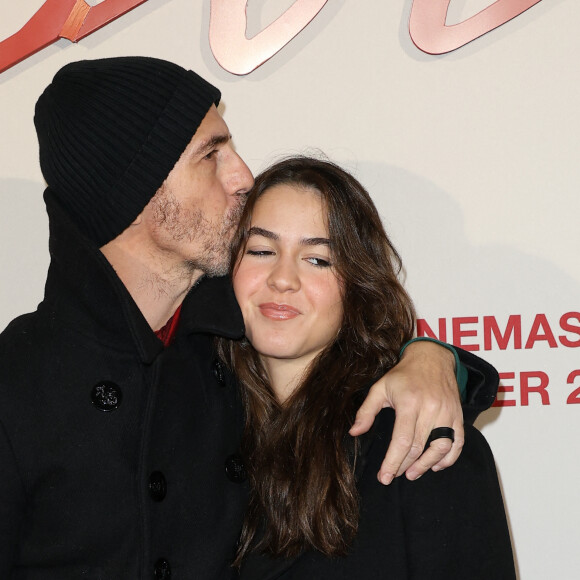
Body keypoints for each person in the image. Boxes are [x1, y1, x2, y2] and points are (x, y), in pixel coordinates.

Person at [0, 58, 497, 578]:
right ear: (133, 187)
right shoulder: (19, 381)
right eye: (211, 154)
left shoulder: (218, 355)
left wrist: (435, 360)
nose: (242, 176)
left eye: (318, 258)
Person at [218, 156, 515, 578]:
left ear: (357, 285)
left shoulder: (421, 448)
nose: (283, 278)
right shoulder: (189, 427)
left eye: (318, 259)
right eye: (262, 250)